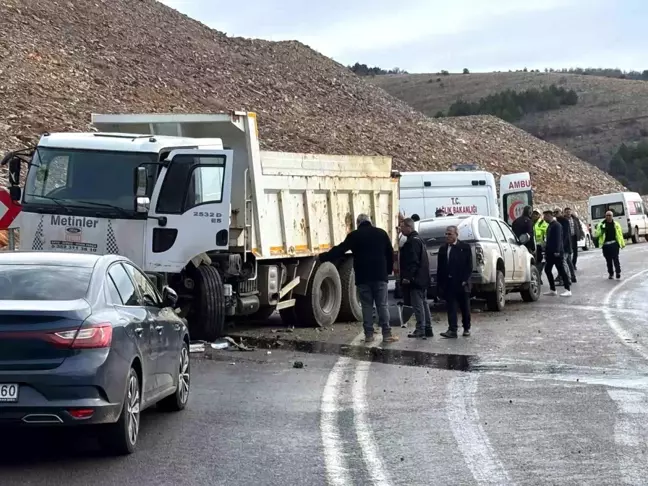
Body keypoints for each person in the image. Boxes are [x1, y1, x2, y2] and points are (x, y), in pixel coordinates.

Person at [319, 213, 399, 344]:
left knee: (366, 306)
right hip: (380, 276)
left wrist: (323, 257)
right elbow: (390, 253)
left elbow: (340, 249)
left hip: (363, 277)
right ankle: (387, 334)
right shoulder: (381, 233)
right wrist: (387, 270)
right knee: (382, 305)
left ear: (358, 223)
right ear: (370, 221)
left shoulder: (354, 236)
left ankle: (368, 335)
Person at [399, 218, 433, 339]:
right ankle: (428, 328)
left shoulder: (412, 242)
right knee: (424, 303)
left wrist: (408, 277)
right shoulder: (419, 240)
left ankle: (420, 329)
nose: (400, 229)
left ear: (409, 227)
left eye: (402, 226)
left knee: (417, 304)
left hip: (416, 279)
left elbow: (413, 261)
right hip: (422, 278)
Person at [436, 225, 473, 338]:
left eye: (450, 234)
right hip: (449, 282)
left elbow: (469, 265)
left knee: (464, 307)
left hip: (461, 282)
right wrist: (440, 283)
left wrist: (464, 280)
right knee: (451, 306)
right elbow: (440, 267)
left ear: (456, 234)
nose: (447, 236)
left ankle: (466, 327)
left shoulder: (464, 247)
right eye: (446, 234)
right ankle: (452, 329)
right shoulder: (443, 249)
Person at [543, 210, 572, 297]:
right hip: (550, 253)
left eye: (545, 216)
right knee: (547, 270)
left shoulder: (557, 225)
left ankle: (568, 289)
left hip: (556, 253)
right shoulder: (550, 226)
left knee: (561, 270)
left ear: (550, 216)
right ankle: (553, 289)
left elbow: (558, 239)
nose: (544, 218)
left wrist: (557, 251)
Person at [593, 210, 625, 279]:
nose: (608, 217)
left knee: (616, 259)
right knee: (608, 260)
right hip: (606, 245)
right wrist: (602, 230)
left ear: (612, 216)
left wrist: (622, 243)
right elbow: (597, 234)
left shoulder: (616, 224)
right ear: (605, 216)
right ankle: (611, 273)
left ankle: (618, 272)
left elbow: (620, 235)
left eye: (610, 215)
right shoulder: (601, 224)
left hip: (614, 244)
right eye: (607, 215)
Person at [553, 208, 577, 284]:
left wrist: (561, 245)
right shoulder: (558, 221)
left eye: (557, 212)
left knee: (563, 261)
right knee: (568, 261)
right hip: (565, 244)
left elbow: (565, 234)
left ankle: (567, 279)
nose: (555, 214)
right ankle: (571, 277)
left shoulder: (564, 221)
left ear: (561, 212)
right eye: (554, 212)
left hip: (565, 245)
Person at [532, 209, 548, 284]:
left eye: (536, 214)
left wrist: (545, 243)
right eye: (534, 213)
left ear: (539, 215)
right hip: (533, 246)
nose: (535, 215)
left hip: (541, 246)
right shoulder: (530, 222)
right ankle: (537, 277)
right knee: (534, 262)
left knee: (541, 263)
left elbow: (546, 233)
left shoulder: (542, 223)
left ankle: (538, 277)